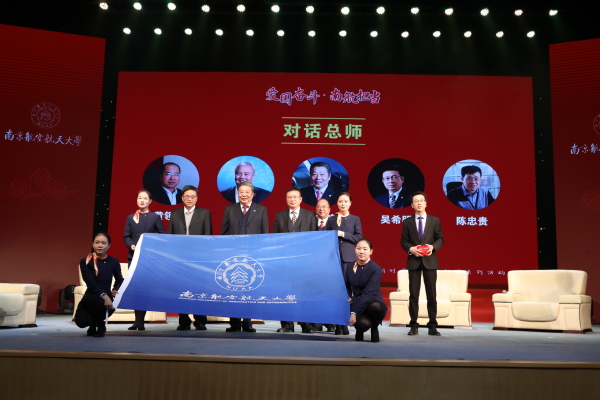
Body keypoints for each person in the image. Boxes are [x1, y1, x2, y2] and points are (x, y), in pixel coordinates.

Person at [220, 182, 269, 332]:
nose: (244, 195)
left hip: (253, 256)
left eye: (247, 192)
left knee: (250, 289)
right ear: (238, 193)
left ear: (252, 194)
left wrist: (261, 254)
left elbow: (265, 234)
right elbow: (224, 233)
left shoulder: (261, 209)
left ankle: (247, 322)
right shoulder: (229, 209)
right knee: (233, 289)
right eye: (241, 192)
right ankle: (234, 323)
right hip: (233, 256)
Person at [273, 188, 318, 333]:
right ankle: (287, 325)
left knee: (305, 292)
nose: (292, 199)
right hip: (285, 261)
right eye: (289, 197)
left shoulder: (310, 215)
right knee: (285, 292)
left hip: (304, 261)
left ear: (300, 199)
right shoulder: (279, 216)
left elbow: (314, 239)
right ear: (286, 200)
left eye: (294, 197)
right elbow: (275, 239)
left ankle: (307, 325)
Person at [169, 185, 212, 331]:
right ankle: (184, 320)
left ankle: (200, 321)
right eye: (187, 196)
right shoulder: (175, 214)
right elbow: (171, 237)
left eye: (192, 196)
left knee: (199, 290)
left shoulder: (204, 213)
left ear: (197, 198)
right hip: (180, 259)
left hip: (198, 259)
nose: (189, 199)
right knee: (181, 290)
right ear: (182, 198)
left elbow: (208, 237)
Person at [401, 191, 444, 336]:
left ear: (426, 203)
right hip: (414, 261)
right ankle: (413, 325)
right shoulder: (407, 222)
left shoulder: (435, 220)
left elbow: (440, 239)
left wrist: (433, 247)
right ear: (412, 205)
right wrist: (411, 249)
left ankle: (432, 325)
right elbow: (403, 241)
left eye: (421, 200)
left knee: (431, 295)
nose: (419, 203)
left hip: (430, 262)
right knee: (414, 295)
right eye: (416, 201)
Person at [123, 189, 165, 331]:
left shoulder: (155, 217)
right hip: (133, 257)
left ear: (150, 201)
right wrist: (131, 245)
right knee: (135, 289)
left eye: (145, 198)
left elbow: (162, 235)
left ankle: (141, 321)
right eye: (139, 198)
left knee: (145, 289)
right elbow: (126, 236)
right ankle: (137, 321)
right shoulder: (131, 218)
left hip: (148, 259)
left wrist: (151, 246)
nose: (142, 200)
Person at [325, 192, 362, 335]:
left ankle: (345, 322)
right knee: (335, 290)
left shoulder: (355, 219)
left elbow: (358, 238)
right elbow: (326, 237)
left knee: (347, 290)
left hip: (348, 257)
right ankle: (337, 323)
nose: (343, 204)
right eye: (340, 201)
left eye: (346, 201)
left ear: (350, 203)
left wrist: (343, 234)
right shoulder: (331, 219)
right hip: (333, 258)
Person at [74, 232, 123, 338]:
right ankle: (94, 323)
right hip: (91, 297)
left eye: (103, 243)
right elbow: (91, 283)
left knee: (100, 300)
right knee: (81, 321)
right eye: (97, 242)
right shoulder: (86, 261)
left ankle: (100, 324)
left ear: (109, 245)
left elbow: (120, 280)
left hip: (106, 301)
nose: (100, 245)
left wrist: (114, 290)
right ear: (93, 244)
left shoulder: (113, 261)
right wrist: (104, 296)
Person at [345, 238, 388, 342]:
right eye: (358, 248)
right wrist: (348, 296)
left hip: (372, 301)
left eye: (365, 249)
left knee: (376, 307)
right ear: (355, 250)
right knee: (362, 325)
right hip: (357, 302)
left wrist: (354, 312)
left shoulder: (375, 269)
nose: (361, 252)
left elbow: (368, 293)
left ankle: (375, 327)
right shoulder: (350, 266)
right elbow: (346, 286)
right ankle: (359, 330)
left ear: (371, 251)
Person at [315, 199, 335, 333]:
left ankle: (330, 322)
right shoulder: (311, 222)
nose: (321, 209)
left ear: (329, 209)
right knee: (315, 293)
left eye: (324, 207)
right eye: (319, 206)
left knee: (329, 294)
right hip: (314, 264)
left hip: (330, 263)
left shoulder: (334, 222)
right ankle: (316, 323)